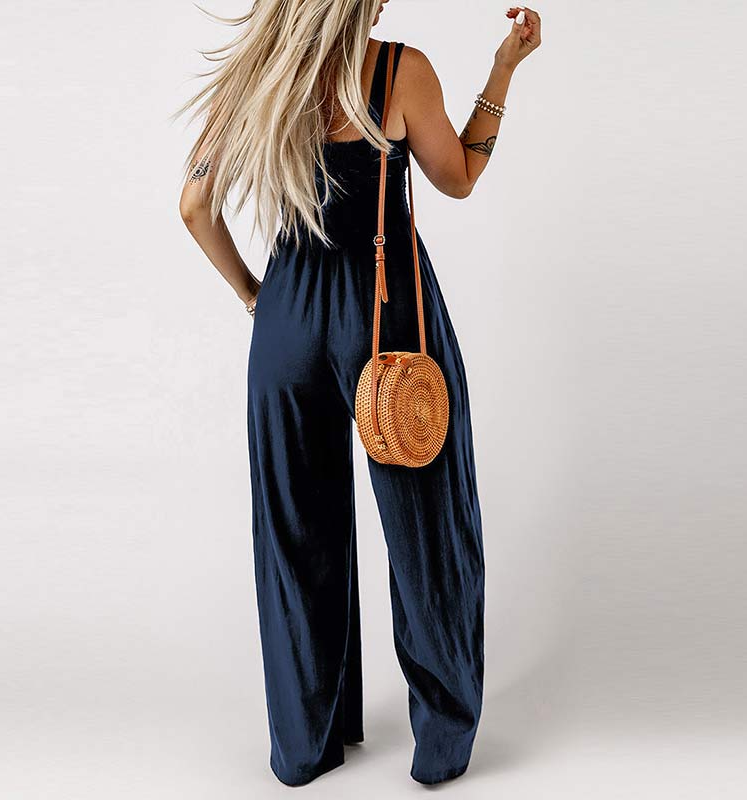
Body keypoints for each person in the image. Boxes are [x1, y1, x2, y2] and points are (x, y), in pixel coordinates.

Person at [176, 0, 541, 787]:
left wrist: (254, 296)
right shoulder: (399, 70)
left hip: (286, 321)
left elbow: (194, 207)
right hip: (385, 316)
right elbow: (459, 176)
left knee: (295, 535)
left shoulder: (254, 75)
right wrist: (503, 70)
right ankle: (441, 749)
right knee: (428, 528)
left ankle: (306, 747)